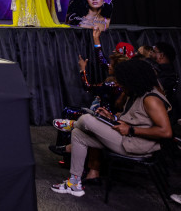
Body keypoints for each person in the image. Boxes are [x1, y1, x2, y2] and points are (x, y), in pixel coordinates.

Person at [51, 59, 173, 197]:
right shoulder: (137, 93)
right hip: (127, 139)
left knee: (86, 119)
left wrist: (132, 130)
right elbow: (134, 118)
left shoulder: (151, 99)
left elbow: (166, 132)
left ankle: (72, 124)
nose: (119, 84)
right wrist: (112, 118)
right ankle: (74, 183)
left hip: (137, 145)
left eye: (122, 80)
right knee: (79, 134)